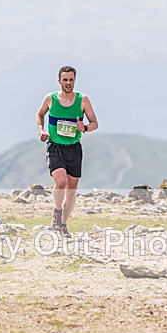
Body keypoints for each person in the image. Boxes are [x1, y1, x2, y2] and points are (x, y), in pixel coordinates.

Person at [36, 65, 98, 237]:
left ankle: (63, 224)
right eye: (65, 80)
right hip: (55, 146)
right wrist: (41, 131)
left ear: (74, 81)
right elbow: (39, 115)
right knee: (61, 182)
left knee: (71, 191)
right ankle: (57, 213)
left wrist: (84, 127)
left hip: (74, 149)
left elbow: (94, 123)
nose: (68, 83)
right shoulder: (50, 98)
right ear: (59, 81)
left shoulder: (83, 100)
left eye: (71, 80)